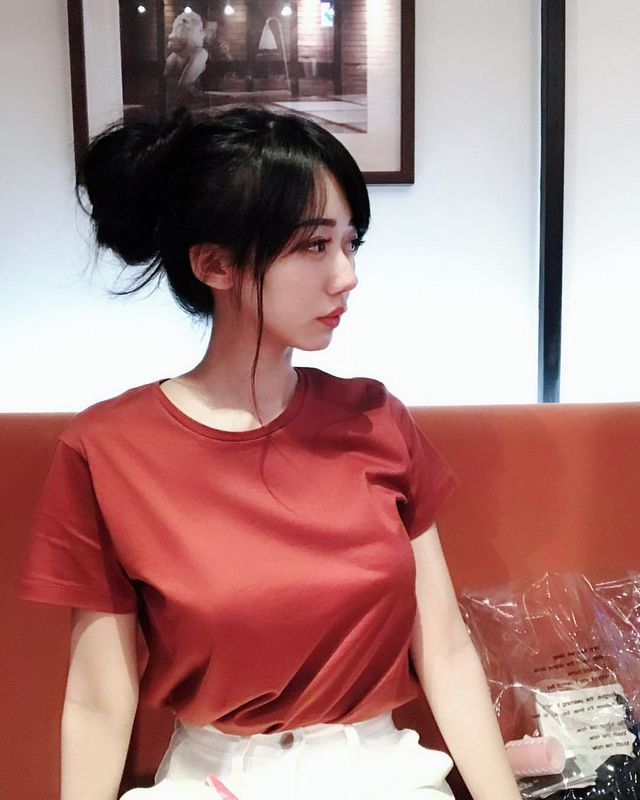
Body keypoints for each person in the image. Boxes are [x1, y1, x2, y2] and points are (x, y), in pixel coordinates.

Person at [18, 106, 521, 800]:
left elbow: (445, 649)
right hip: (215, 780)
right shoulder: (106, 450)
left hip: (384, 774)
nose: (346, 275)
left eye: (351, 243)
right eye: (314, 246)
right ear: (215, 264)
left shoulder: (376, 419)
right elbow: (99, 698)